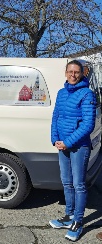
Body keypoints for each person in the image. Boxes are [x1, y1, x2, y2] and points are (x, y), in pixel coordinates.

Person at [49, 60, 96, 241]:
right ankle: (68, 216)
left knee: (79, 185)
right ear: (66, 72)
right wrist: (55, 139)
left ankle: (78, 221)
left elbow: (88, 124)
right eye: (70, 71)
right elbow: (56, 117)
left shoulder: (87, 94)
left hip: (79, 147)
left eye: (77, 72)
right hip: (62, 145)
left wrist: (67, 142)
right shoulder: (61, 93)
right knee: (66, 183)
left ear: (82, 73)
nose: (73, 75)